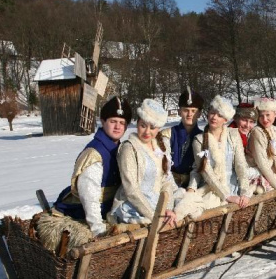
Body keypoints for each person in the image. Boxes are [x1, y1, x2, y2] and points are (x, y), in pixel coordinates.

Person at [53, 96, 132, 236]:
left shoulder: (119, 149)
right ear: (103, 121)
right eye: (113, 121)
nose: (117, 126)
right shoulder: (94, 154)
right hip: (80, 212)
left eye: (122, 122)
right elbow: (89, 197)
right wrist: (98, 229)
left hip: (108, 208)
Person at [176, 95, 251, 219]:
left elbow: (240, 165)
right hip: (212, 188)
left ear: (225, 119)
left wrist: (244, 192)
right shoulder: (199, 140)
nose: (214, 117)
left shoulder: (233, 135)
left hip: (233, 185)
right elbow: (206, 171)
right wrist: (226, 195)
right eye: (212, 113)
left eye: (219, 115)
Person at [110, 99, 182, 227]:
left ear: (158, 128)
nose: (147, 132)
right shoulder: (129, 148)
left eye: (152, 127)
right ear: (137, 123)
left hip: (156, 204)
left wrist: (168, 208)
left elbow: (165, 180)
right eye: (143, 125)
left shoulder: (158, 148)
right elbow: (131, 189)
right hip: (134, 206)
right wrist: (155, 215)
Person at [247, 97, 276, 194]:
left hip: (269, 171)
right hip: (257, 171)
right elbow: (262, 163)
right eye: (261, 116)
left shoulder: (273, 129)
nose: (265, 119)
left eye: (268, 115)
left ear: (275, 114)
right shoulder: (257, 132)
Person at [161, 87, 204, 188]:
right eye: (186, 110)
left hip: (194, 183)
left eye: (193, 111)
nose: (189, 114)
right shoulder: (168, 134)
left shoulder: (203, 137)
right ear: (180, 112)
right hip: (169, 182)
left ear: (199, 114)